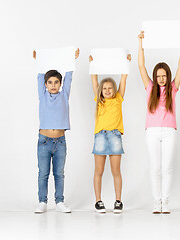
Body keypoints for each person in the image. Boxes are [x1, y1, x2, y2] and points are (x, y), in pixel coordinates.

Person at [138, 31, 180, 214]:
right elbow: (141, 66)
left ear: (167, 76)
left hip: (169, 131)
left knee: (167, 168)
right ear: (155, 77)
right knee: (155, 168)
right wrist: (141, 43)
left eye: (164, 75)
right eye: (158, 76)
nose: (161, 79)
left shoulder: (173, 88)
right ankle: (156, 201)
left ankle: (165, 201)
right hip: (151, 131)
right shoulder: (150, 88)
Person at [33, 48, 80, 213]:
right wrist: (38, 61)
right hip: (44, 141)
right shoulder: (43, 95)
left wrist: (71, 59)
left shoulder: (64, 95)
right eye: (50, 82)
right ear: (45, 85)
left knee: (59, 173)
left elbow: (69, 76)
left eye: (56, 82)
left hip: (60, 141)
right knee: (43, 173)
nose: (53, 85)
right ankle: (42, 201)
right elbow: (39, 75)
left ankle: (59, 201)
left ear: (60, 84)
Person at [89, 54, 131, 214]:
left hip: (115, 137)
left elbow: (124, 78)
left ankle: (118, 201)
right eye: (104, 88)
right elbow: (94, 79)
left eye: (110, 88)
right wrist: (92, 65)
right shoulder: (99, 101)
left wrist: (125, 62)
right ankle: (98, 201)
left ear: (114, 90)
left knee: (116, 171)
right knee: (98, 171)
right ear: (101, 91)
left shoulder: (118, 98)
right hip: (100, 136)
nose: (107, 90)